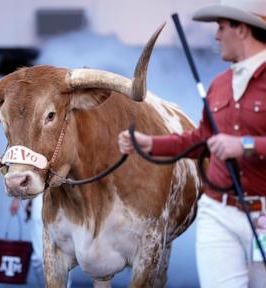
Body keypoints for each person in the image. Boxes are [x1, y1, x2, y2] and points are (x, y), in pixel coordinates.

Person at [118, 0, 266, 287]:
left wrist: (245, 145)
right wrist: (150, 144)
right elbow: (201, 140)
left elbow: (238, 144)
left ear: (243, 29)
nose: (216, 36)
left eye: (222, 27)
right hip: (218, 212)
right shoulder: (220, 84)